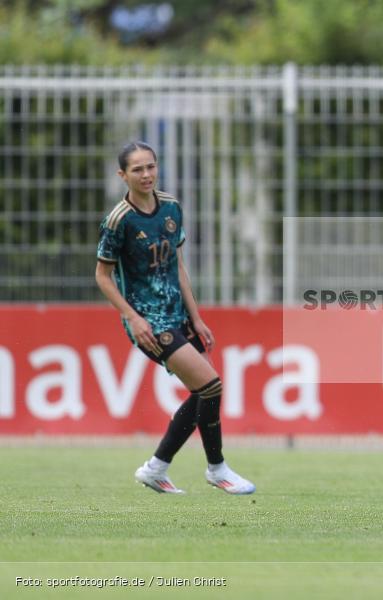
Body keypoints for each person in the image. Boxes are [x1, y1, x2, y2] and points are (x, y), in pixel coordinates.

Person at [95, 141, 255, 495]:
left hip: (178, 315)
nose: (146, 174)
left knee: (203, 392)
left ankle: (156, 468)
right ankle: (217, 469)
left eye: (150, 166)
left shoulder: (171, 208)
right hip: (149, 322)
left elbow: (177, 266)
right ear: (123, 175)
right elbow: (102, 277)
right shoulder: (118, 220)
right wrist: (133, 319)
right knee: (211, 385)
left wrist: (196, 318)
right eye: (137, 169)